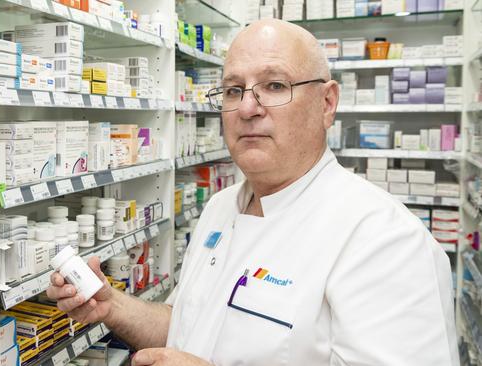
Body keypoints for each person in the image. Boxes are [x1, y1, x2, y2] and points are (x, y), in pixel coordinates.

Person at [46, 18, 459, 366]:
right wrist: (111, 305)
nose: (247, 108)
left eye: (275, 86)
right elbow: (189, 325)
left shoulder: (385, 241)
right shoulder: (222, 206)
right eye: (232, 90)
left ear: (327, 103)